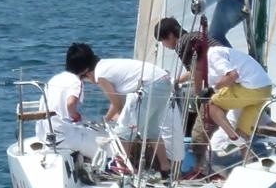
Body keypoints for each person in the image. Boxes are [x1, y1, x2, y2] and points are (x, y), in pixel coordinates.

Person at [93, 52, 182, 175]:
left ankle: (126, 170)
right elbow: (118, 101)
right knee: (151, 130)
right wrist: (109, 117)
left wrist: (108, 119)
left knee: (125, 131)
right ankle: (165, 169)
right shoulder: (106, 65)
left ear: (85, 73)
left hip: (152, 85)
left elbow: (118, 104)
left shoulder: (99, 75)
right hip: (164, 81)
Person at [203, 36, 273, 164]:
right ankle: (249, 163)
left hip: (251, 88)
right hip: (265, 89)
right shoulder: (230, 54)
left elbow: (233, 75)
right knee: (243, 134)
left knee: (212, 104)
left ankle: (233, 138)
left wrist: (214, 88)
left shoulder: (213, 53)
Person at [43, 43, 103, 173]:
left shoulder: (55, 79)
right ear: (86, 68)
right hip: (64, 137)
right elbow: (70, 103)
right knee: (104, 149)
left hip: (46, 134)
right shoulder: (76, 81)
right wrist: (75, 115)